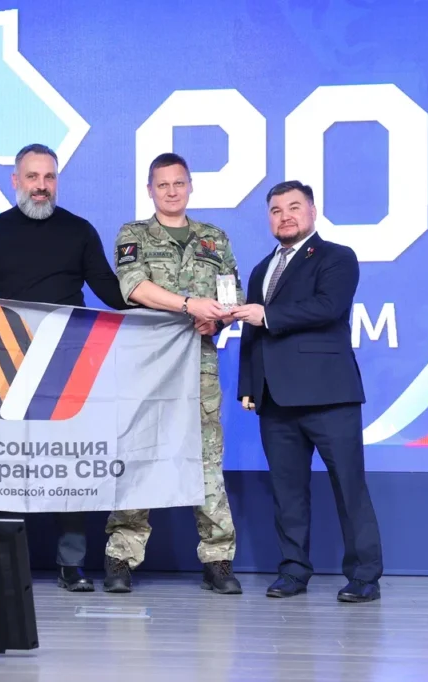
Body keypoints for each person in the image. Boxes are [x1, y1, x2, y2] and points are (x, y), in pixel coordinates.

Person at [0, 143, 129, 592]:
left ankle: (71, 565)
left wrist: (175, 309)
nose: (41, 186)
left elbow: (111, 292)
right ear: (15, 181)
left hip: (69, 364)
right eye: (32, 176)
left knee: (67, 465)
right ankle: (3, 562)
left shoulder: (79, 231)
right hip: (9, 366)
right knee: (5, 467)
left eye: (49, 177)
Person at [233, 181, 383, 603]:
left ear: (313, 211)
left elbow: (327, 307)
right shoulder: (262, 269)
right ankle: (294, 570)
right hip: (275, 400)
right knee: (287, 494)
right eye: (276, 210)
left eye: (294, 207)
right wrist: (248, 384)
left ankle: (365, 576)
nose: (285, 216)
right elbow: (252, 331)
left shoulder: (337, 257)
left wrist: (267, 314)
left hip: (329, 396)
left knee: (349, 488)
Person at [105, 153, 243, 595]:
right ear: (150, 190)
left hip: (199, 363)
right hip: (147, 363)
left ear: (189, 186)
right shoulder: (133, 234)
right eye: (162, 184)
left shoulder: (213, 238)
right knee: (138, 453)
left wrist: (216, 320)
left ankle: (218, 560)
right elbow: (133, 286)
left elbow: (231, 293)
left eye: (178, 183)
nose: (170, 191)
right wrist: (189, 306)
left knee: (207, 459)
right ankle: (121, 556)